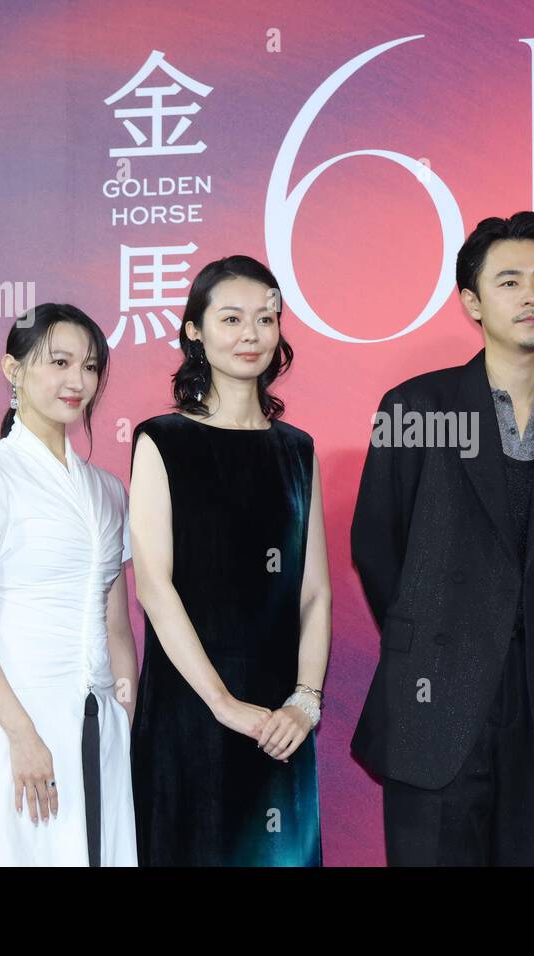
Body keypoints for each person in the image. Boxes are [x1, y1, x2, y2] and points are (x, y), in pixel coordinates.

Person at [350, 211, 534, 865]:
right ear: (472, 302)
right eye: (509, 282)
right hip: (435, 702)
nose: (531, 296)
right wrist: (429, 630)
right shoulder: (416, 407)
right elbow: (375, 542)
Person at [0, 303, 138, 866]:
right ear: (13, 371)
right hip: (13, 715)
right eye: (58, 362)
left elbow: (116, 625)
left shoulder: (109, 492)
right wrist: (21, 733)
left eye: (89, 366)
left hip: (97, 724)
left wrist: (122, 715)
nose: (77, 381)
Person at [128, 255, 330, 866]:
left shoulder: (297, 451)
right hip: (191, 713)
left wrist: (305, 701)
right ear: (194, 329)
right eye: (232, 319)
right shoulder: (162, 441)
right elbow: (154, 588)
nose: (251, 335)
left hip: (280, 725)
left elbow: (315, 593)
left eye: (265, 320)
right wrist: (223, 705)